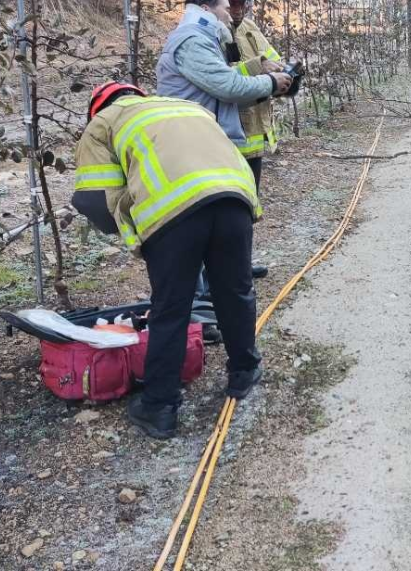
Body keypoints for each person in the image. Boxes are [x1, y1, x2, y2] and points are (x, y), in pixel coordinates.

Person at [72, 82, 266, 439]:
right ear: (139, 95)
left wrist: (127, 227)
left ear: (97, 107)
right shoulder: (186, 107)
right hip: (234, 198)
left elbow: (94, 200)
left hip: (173, 213)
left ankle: (159, 407)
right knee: (234, 289)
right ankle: (244, 370)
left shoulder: (102, 124)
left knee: (171, 307)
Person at [156, 0, 292, 280]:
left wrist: (267, 74)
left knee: (231, 213)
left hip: (213, 140)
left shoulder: (209, 37)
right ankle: (206, 288)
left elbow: (224, 83)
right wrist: (269, 82)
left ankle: (228, 274)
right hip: (196, 144)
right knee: (203, 217)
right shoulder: (193, 41)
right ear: (206, 8)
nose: (232, 14)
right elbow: (227, 85)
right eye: (227, 8)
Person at [204, 0, 286, 277]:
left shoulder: (250, 29)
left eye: (244, 2)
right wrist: (258, 70)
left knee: (248, 204)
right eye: (233, 2)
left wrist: (283, 76)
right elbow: (224, 81)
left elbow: (273, 61)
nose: (239, 9)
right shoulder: (207, 34)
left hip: (252, 135)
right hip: (224, 137)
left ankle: (241, 264)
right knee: (222, 208)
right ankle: (218, 271)